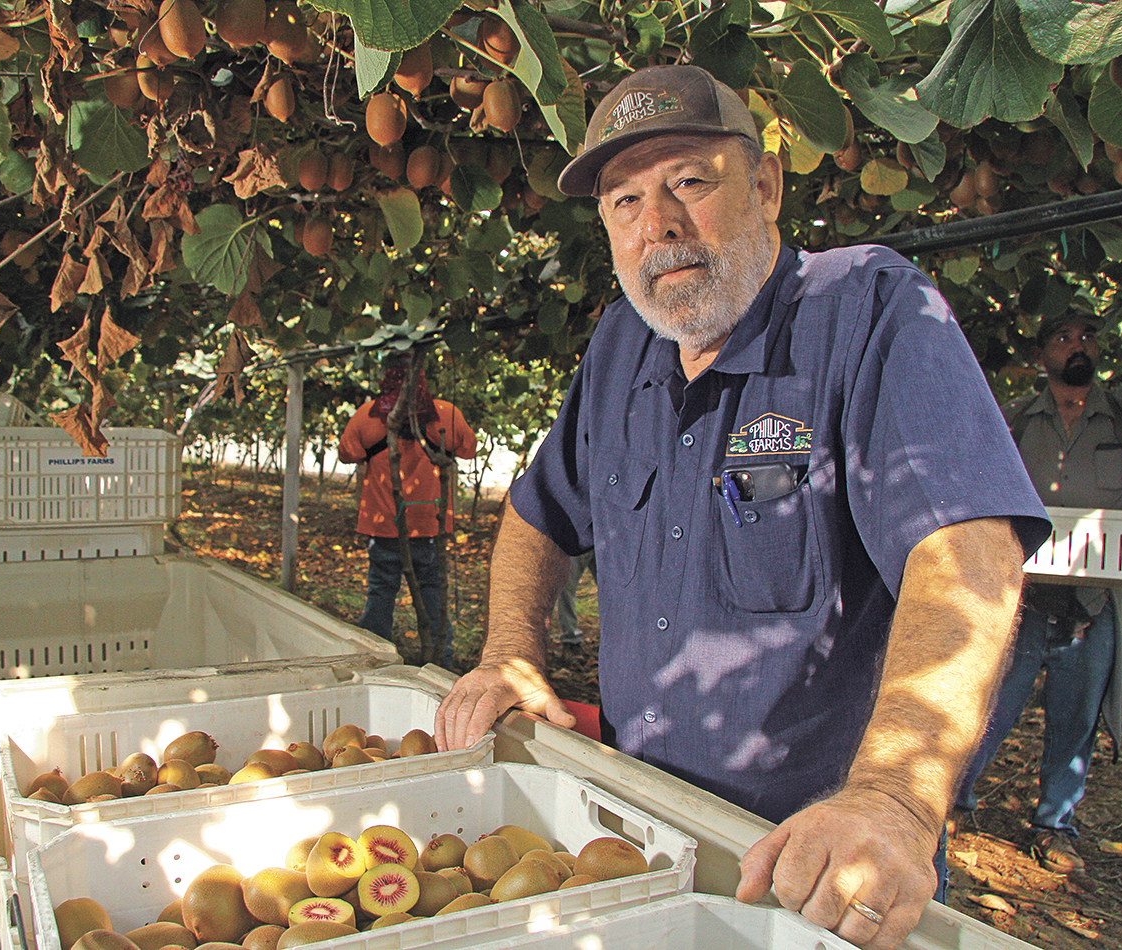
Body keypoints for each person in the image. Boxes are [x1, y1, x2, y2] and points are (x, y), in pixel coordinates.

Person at [433, 64, 1051, 950]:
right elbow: (538, 513)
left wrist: (893, 799)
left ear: (764, 185)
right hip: (638, 834)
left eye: (689, 182)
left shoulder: (865, 306)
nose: (661, 228)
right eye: (625, 202)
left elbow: (967, 549)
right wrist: (509, 653)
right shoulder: (619, 345)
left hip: (816, 869)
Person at [954, 311, 1120, 875]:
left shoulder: (1117, 419)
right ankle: (953, 801)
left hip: (1095, 607)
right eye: (1063, 337)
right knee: (991, 704)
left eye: (1087, 337)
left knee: (1077, 721)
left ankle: (1054, 825)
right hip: (1022, 599)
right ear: (1043, 353)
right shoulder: (1017, 420)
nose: (1078, 346)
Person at [339, 356, 475, 668]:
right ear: (420, 380)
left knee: (381, 590)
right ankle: (441, 661)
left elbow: (348, 453)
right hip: (430, 525)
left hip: (384, 524)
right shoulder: (446, 414)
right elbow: (469, 449)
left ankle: (374, 658)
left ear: (385, 380)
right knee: (432, 591)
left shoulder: (366, 416)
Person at [555, 551, 596, 646]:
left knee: (612, 590)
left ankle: (618, 635)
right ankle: (571, 639)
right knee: (566, 588)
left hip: (603, 540)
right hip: (576, 543)